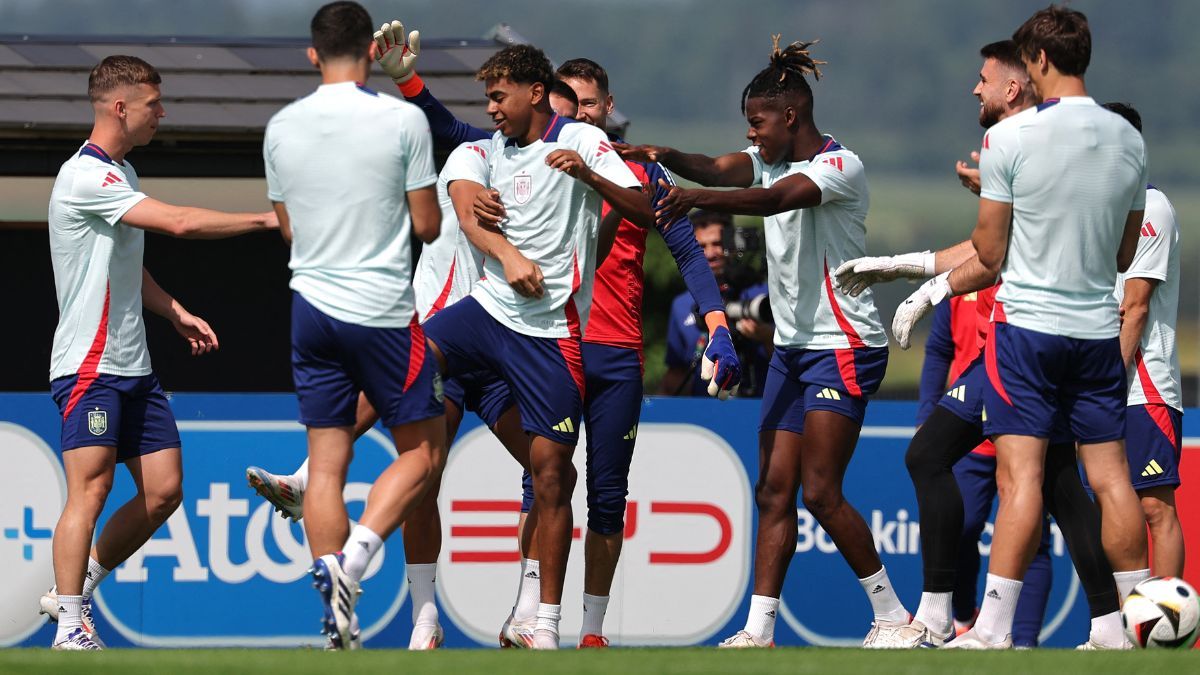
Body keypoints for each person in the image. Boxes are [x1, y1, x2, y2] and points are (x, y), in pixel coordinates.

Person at [371, 25, 737, 648]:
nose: (582, 110)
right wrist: (407, 80)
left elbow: (683, 244)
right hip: (527, 336)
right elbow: (457, 133)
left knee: (604, 493)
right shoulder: (521, 153)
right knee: (533, 479)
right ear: (553, 101)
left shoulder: (628, 171)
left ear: (606, 109)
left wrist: (717, 323)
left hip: (611, 350)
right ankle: (523, 612)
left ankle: (588, 632)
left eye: (592, 101)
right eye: (572, 100)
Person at [866, 6, 1150, 649]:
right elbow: (1125, 253)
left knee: (1019, 478)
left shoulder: (1009, 139)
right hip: (1097, 333)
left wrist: (929, 288)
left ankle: (990, 629)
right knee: (1107, 478)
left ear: (1040, 62)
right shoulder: (1129, 138)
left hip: (1028, 333)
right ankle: (1131, 623)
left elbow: (989, 256)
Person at [618, 37, 910, 648]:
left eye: (758, 124)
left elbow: (776, 200)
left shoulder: (838, 167)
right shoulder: (765, 158)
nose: (752, 138)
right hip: (793, 349)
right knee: (773, 489)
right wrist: (662, 155)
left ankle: (892, 618)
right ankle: (759, 631)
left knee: (822, 492)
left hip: (844, 344)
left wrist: (696, 199)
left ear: (791, 117)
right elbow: (720, 166)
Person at [43, 54, 277, 650]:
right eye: (153, 103)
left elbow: (128, 265)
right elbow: (177, 223)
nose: (161, 112)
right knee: (91, 490)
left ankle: (78, 585)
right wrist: (265, 219)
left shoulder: (122, 174)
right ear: (121, 107)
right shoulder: (86, 176)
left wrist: (174, 313)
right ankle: (70, 622)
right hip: (90, 367)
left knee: (164, 491)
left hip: (135, 367)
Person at [262, 1, 446, 650]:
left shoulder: (280, 126)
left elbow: (288, 228)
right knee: (423, 453)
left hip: (310, 309)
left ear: (312, 55)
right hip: (384, 310)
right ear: (373, 50)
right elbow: (427, 225)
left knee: (325, 467)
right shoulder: (401, 119)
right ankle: (354, 561)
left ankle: (331, 597)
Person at [1098, 101, 1184, 578]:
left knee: (1154, 508)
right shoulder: (1098, 210)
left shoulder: (1153, 207)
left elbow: (1135, 307)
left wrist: (1105, 385)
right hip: (1101, 383)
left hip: (1142, 387)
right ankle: (1118, 628)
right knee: (1111, 509)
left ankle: (1169, 632)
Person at [662, 210, 772, 397]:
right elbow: (675, 374)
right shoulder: (681, 305)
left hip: (762, 405)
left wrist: (768, 338)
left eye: (718, 244)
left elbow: (794, 361)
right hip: (703, 414)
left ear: (733, 243)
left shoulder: (764, 296)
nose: (711, 253)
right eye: (701, 246)